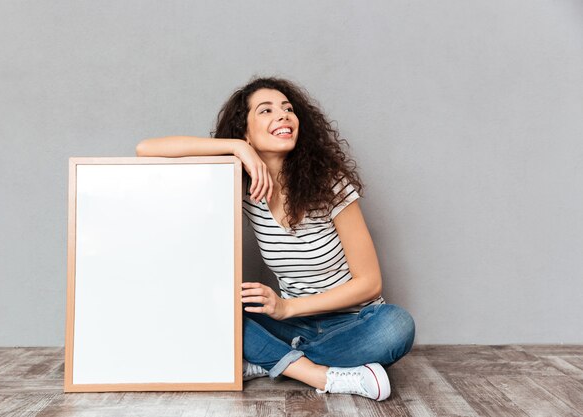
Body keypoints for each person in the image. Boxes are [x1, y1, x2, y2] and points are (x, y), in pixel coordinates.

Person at [136, 77, 415, 401]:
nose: (283, 116)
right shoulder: (242, 185)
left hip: (351, 323)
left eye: (288, 109)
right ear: (246, 130)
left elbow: (369, 283)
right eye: (266, 110)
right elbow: (147, 149)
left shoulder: (330, 184)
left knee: (397, 326)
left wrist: (286, 307)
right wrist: (236, 147)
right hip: (291, 324)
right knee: (212, 301)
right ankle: (318, 374)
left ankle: (272, 359)